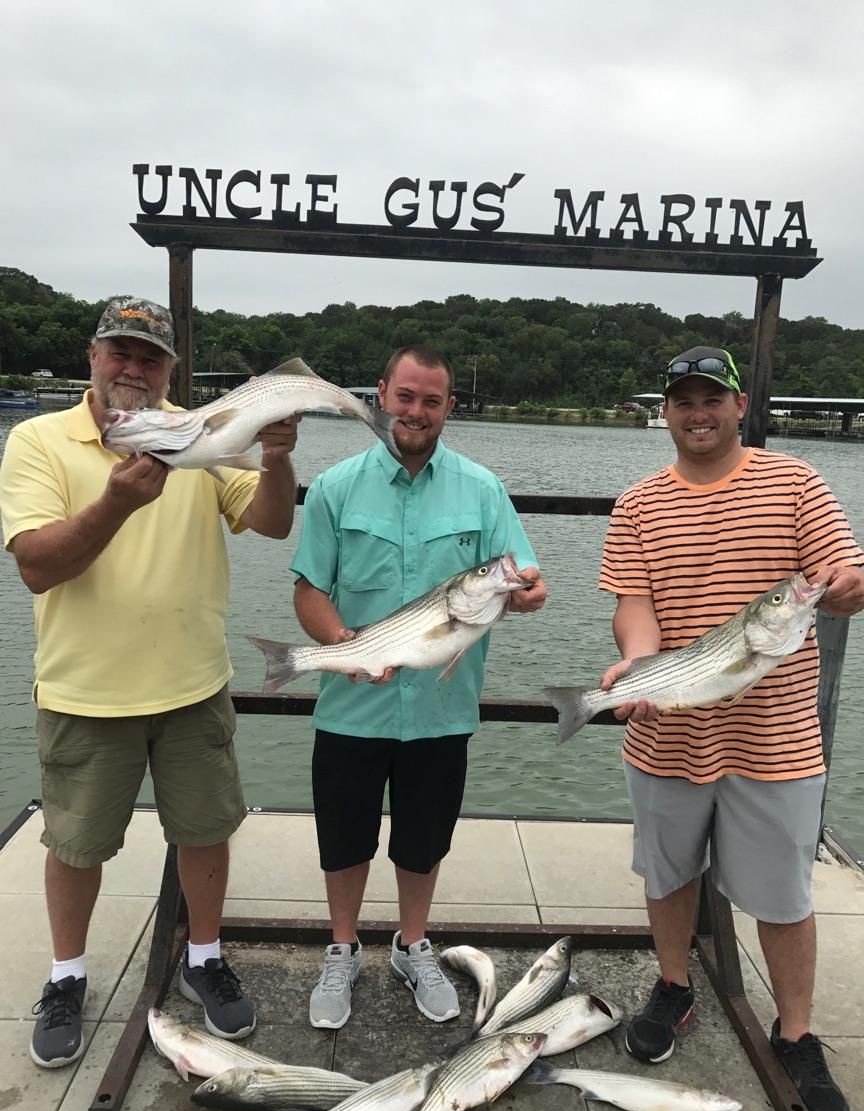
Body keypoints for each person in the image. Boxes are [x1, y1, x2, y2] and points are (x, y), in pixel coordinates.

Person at [0, 296, 300, 1068]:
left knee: (207, 830)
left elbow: (272, 522)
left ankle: (204, 956)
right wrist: (116, 502)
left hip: (194, 684)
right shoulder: (36, 440)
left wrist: (275, 457)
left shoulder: (201, 435)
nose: (134, 368)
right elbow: (37, 565)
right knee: (76, 844)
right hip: (84, 690)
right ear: (93, 357)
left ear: (171, 370)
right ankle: (67, 975)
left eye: (151, 357)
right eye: (121, 352)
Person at [598, 345, 864, 1111]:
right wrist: (639, 665)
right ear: (666, 413)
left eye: (712, 398)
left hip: (777, 740)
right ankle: (675, 987)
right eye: (683, 401)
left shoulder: (796, 483)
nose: (699, 413)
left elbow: (841, 578)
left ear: (739, 405)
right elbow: (633, 604)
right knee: (668, 873)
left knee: (784, 894)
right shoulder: (638, 504)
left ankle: (797, 1034)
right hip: (669, 731)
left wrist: (847, 588)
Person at [290, 345, 546, 1029]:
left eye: (432, 401)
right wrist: (339, 644)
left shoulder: (482, 489)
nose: (416, 411)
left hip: (441, 708)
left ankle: (412, 945)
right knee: (343, 837)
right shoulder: (335, 487)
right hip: (352, 704)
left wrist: (527, 592)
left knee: (423, 840)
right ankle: (342, 948)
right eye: (405, 396)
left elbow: (522, 575)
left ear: (449, 407)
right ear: (381, 394)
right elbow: (310, 590)